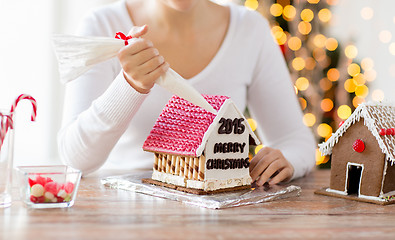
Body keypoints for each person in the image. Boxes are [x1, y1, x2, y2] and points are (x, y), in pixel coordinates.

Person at [58, 0, 316, 186]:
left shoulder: (250, 29)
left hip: (220, 214)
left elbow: (296, 141)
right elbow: (76, 158)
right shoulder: (102, 26)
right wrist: (129, 86)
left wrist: (286, 160)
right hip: (122, 209)